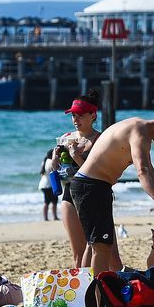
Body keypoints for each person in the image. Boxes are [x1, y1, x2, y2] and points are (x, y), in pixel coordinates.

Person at [70, 110, 154, 276]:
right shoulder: (139, 131)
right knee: (101, 248)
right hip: (91, 186)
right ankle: (95, 297)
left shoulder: (139, 128)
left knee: (95, 244)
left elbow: (150, 171)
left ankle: (84, 293)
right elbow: (142, 171)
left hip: (93, 186)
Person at [52, 90, 103, 268]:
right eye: (73, 115)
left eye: (80, 115)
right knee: (78, 253)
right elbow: (55, 169)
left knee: (99, 250)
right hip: (69, 194)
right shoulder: (66, 138)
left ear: (93, 115)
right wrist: (55, 158)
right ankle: (81, 292)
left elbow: (98, 174)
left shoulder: (100, 140)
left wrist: (76, 157)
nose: (75, 119)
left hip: (93, 197)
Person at [38, 149, 59, 221]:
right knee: (54, 201)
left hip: (43, 184)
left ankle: (46, 217)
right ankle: (54, 216)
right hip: (50, 184)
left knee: (47, 201)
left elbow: (42, 174)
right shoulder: (51, 162)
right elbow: (55, 171)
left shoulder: (44, 162)